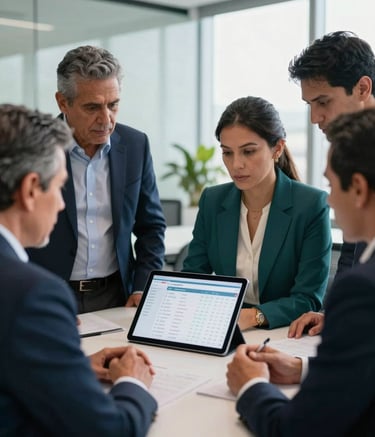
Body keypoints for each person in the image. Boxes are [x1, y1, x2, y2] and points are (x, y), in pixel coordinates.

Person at [0, 104, 157, 435]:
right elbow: (108, 430)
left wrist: (69, 369)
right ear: (30, 190)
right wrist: (133, 383)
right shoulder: (32, 294)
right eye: (58, 187)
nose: (61, 204)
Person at [226, 107, 375, 436]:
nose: (331, 200)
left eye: (332, 185)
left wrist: (250, 386)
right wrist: (303, 369)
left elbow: (296, 429)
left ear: (360, 190)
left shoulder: (362, 288)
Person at [27, 45, 166, 313]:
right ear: (62, 102)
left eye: (113, 105)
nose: (106, 119)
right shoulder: (33, 147)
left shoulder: (136, 145)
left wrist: (143, 286)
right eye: (92, 107)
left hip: (117, 296)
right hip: (47, 295)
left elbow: (151, 227)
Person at [182, 96, 331, 330]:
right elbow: (192, 277)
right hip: (224, 329)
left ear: (277, 149)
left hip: (283, 333)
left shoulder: (311, 205)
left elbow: (308, 298)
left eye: (248, 152)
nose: (236, 165)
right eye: (227, 153)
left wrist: (254, 316)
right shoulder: (212, 200)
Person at [287, 30, 375, 337]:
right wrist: (336, 314)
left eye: (323, 101)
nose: (315, 118)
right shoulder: (347, 146)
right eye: (309, 104)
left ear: (362, 88)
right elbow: (353, 252)